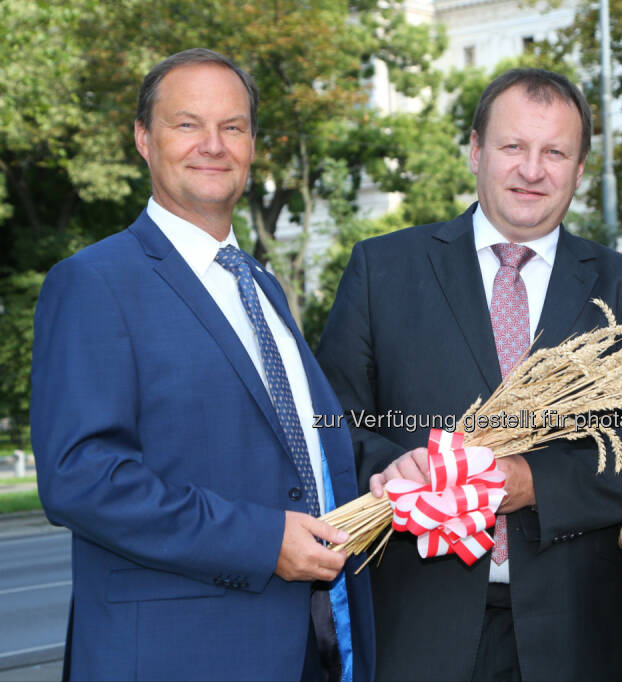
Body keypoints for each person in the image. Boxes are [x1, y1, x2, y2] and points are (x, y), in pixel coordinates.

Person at [316, 68, 622, 681]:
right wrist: (388, 465)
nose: (532, 169)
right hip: (417, 622)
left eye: (555, 152)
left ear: (579, 167)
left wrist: (532, 481)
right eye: (513, 146)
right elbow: (335, 423)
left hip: (572, 633)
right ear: (475, 150)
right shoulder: (382, 270)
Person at [31, 48, 373, 681]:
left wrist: (395, 473)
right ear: (143, 139)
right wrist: (263, 542)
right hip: (177, 656)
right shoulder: (93, 282)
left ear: (251, 144)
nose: (213, 145)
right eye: (187, 124)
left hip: (308, 646)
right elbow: (81, 477)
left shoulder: (262, 287)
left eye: (233, 127)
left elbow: (302, 449)